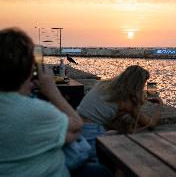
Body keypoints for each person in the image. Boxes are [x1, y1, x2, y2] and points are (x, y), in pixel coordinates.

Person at [0, 28, 112, 177]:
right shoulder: (39, 112)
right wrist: (51, 90)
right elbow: (77, 127)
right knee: (101, 172)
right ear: (30, 69)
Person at [77, 65, 163, 162]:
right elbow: (150, 123)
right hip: (91, 133)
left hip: (76, 126)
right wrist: (160, 105)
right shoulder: (125, 100)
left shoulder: (103, 85)